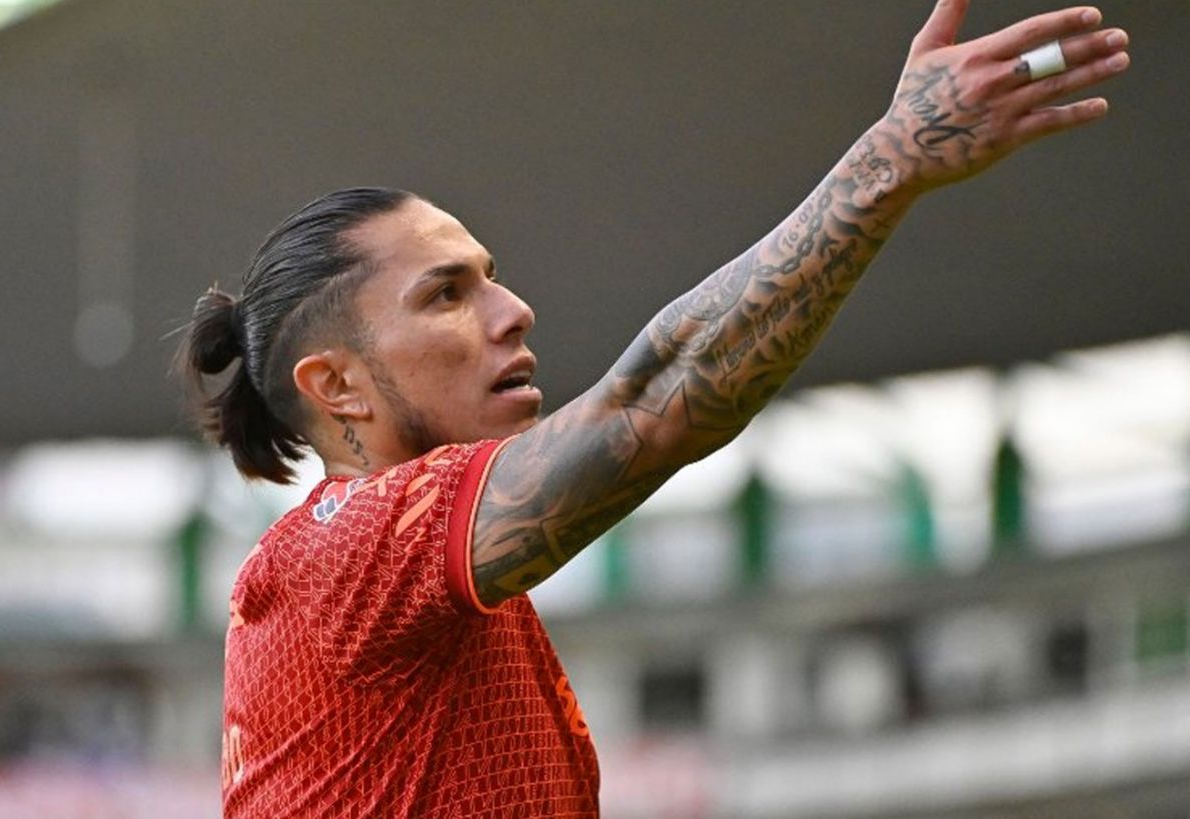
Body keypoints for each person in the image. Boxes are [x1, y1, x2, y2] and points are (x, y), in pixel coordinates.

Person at [177, 2, 1130, 815]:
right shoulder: (346, 556)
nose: (514, 311)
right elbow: (659, 400)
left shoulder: (411, 578)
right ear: (336, 385)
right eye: (447, 295)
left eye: (491, 278)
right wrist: (892, 159)